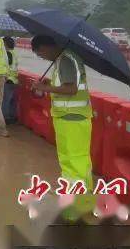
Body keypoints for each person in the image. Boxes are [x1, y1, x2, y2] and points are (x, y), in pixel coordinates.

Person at [30, 34, 94, 220]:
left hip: (72, 118)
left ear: (45, 47)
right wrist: (50, 84)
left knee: (73, 163)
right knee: (77, 161)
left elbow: (71, 89)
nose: (42, 57)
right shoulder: (64, 59)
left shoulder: (65, 59)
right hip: (70, 118)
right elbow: (67, 85)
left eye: (40, 53)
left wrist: (46, 88)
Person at [1, 36, 19, 123]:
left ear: (5, 44)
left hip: (8, 79)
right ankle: (13, 116)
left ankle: (5, 117)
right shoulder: (14, 53)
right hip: (14, 80)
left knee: (6, 100)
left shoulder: (8, 54)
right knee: (11, 100)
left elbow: (6, 66)